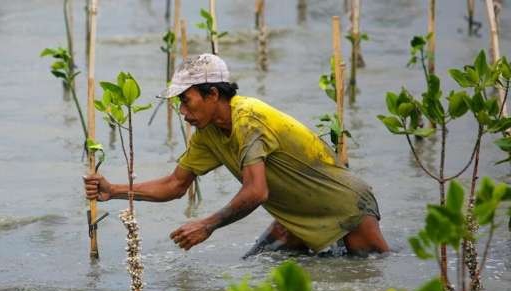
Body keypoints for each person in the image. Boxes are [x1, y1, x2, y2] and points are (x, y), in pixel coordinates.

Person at [83, 54, 389, 256]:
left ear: (213, 94)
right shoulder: (208, 134)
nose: (183, 112)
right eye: (179, 104)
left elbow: (256, 191)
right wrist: (115, 191)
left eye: (187, 101)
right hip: (296, 219)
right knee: (256, 268)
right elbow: (175, 185)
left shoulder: (248, 119)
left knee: (368, 283)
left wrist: (207, 225)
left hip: (346, 209)